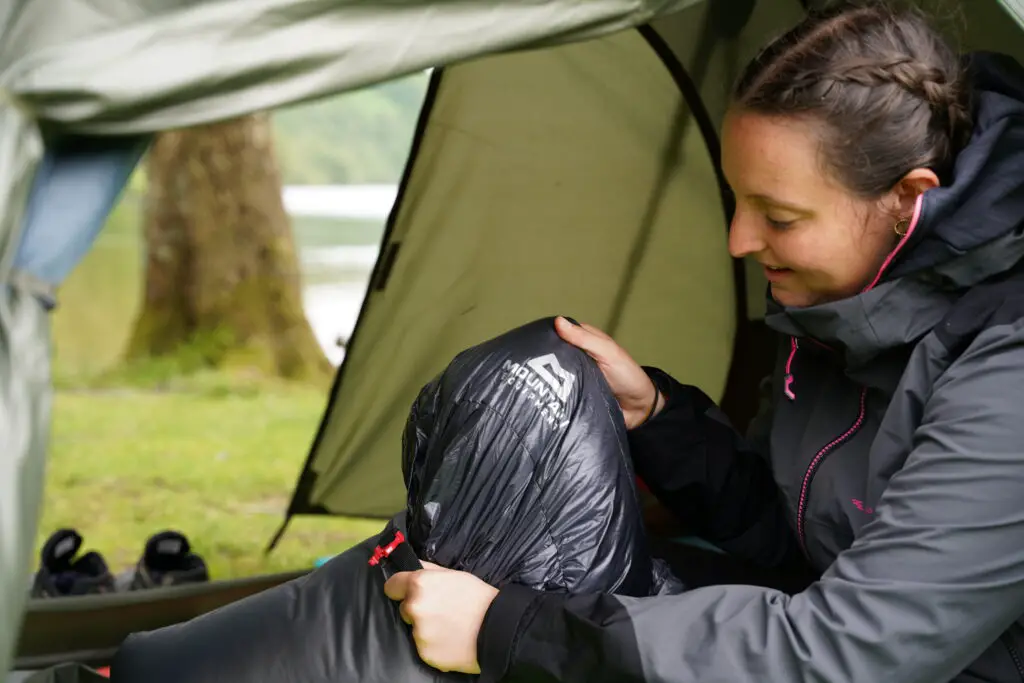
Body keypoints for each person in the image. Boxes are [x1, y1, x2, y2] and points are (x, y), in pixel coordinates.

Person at [382, 2, 1024, 681]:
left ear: (906, 198)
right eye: (737, 200)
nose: (740, 241)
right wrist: (657, 418)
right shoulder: (846, 306)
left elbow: (850, 651)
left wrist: (505, 631)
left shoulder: (1006, 367)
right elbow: (792, 540)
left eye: (778, 216)